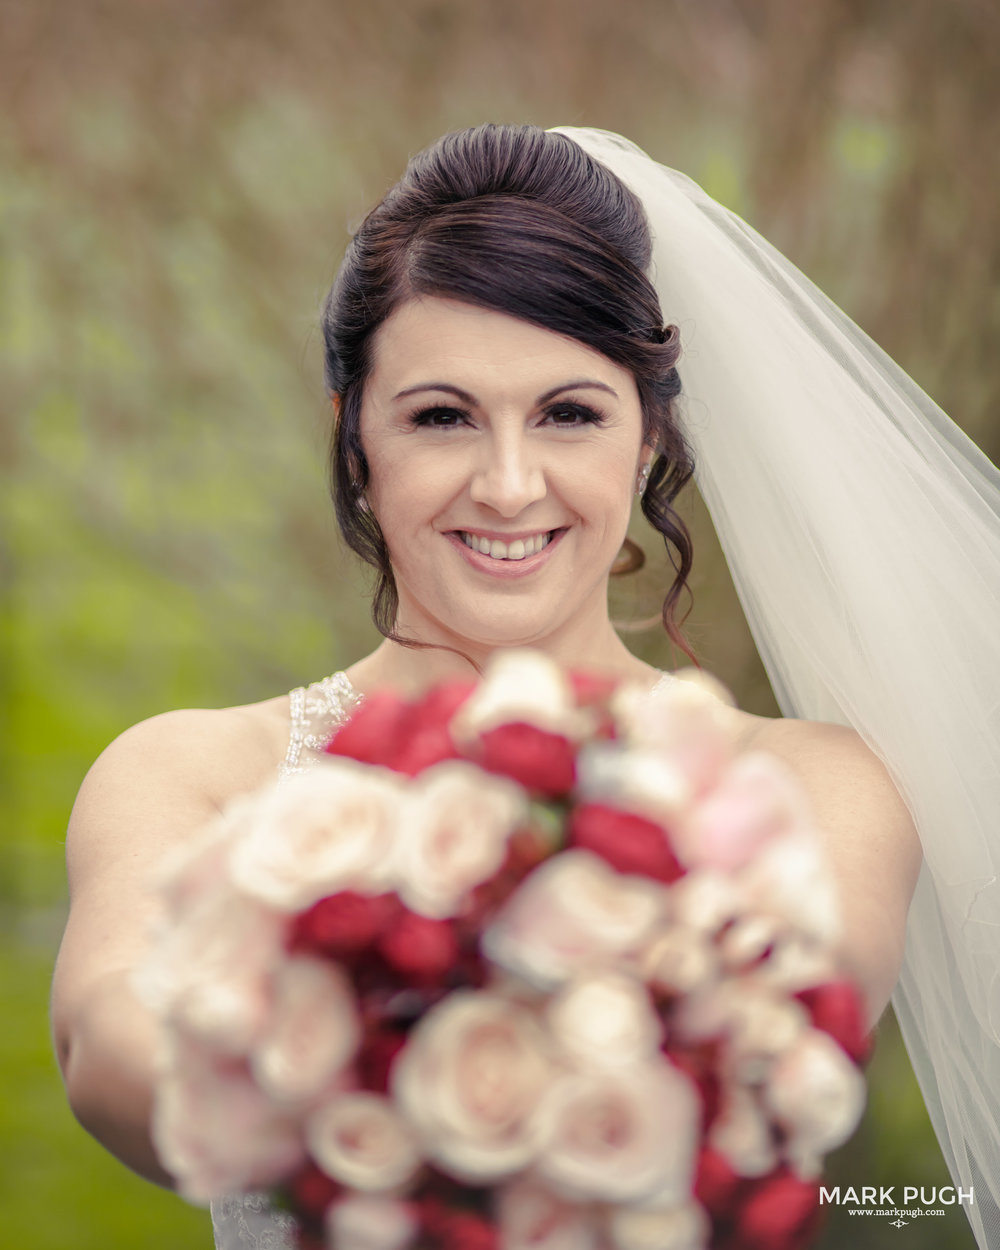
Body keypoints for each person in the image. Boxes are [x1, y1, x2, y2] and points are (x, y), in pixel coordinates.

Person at [49, 123, 999, 1250]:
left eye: (569, 413)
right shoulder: (198, 772)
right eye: (442, 416)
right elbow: (109, 1042)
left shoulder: (819, 787)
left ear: (648, 436)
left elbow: (783, 1037)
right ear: (354, 436)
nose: (508, 484)